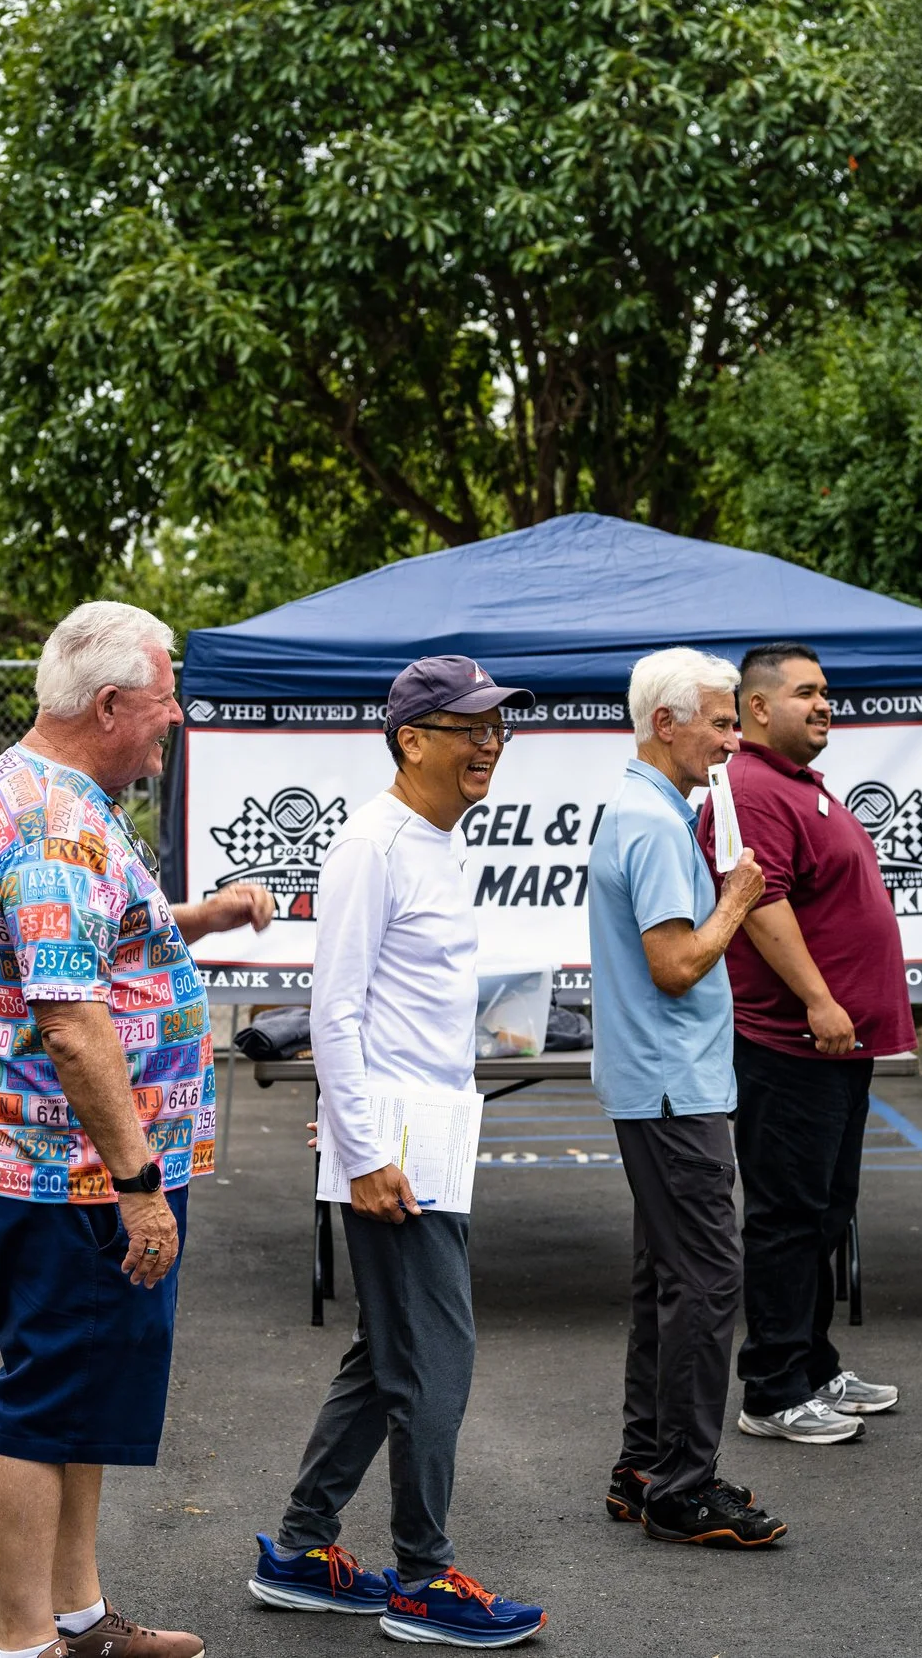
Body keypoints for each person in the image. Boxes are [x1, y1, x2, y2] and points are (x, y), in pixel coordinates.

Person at [0, 601, 273, 1658]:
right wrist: (136, 1177)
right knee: (46, 1400)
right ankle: (24, 1640)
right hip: (76, 1174)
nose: (174, 717)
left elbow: (94, 942)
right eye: (164, 696)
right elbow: (73, 1019)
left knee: (77, 1398)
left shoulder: (54, 795)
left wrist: (200, 918)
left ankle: (78, 1617)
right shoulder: (53, 823)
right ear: (107, 705)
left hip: (80, 1165)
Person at [248, 655, 551, 1644]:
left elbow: (383, 1014)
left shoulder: (427, 840)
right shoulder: (371, 846)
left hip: (416, 1137)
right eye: (469, 726)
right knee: (434, 1364)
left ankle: (299, 1550)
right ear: (410, 737)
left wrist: (356, 1124)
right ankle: (421, 1579)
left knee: (387, 1358)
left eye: (496, 727)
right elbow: (331, 1007)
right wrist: (365, 1141)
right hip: (401, 1152)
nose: (489, 742)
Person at [587, 649, 786, 1546]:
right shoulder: (658, 823)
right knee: (709, 1278)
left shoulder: (644, 808)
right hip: (675, 1085)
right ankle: (683, 1485)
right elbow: (676, 964)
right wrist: (739, 897)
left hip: (659, 1081)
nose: (731, 738)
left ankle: (646, 1463)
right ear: (664, 724)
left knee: (667, 1277)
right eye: (718, 720)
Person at [705, 642, 912, 1445]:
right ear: (757, 707)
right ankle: (771, 1388)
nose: (824, 703)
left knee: (826, 1213)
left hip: (836, 1049)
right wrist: (820, 998)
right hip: (791, 1043)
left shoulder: (799, 784)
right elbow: (760, 903)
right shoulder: (751, 788)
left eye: (827, 691)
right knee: (788, 1217)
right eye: (805, 693)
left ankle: (815, 1364)